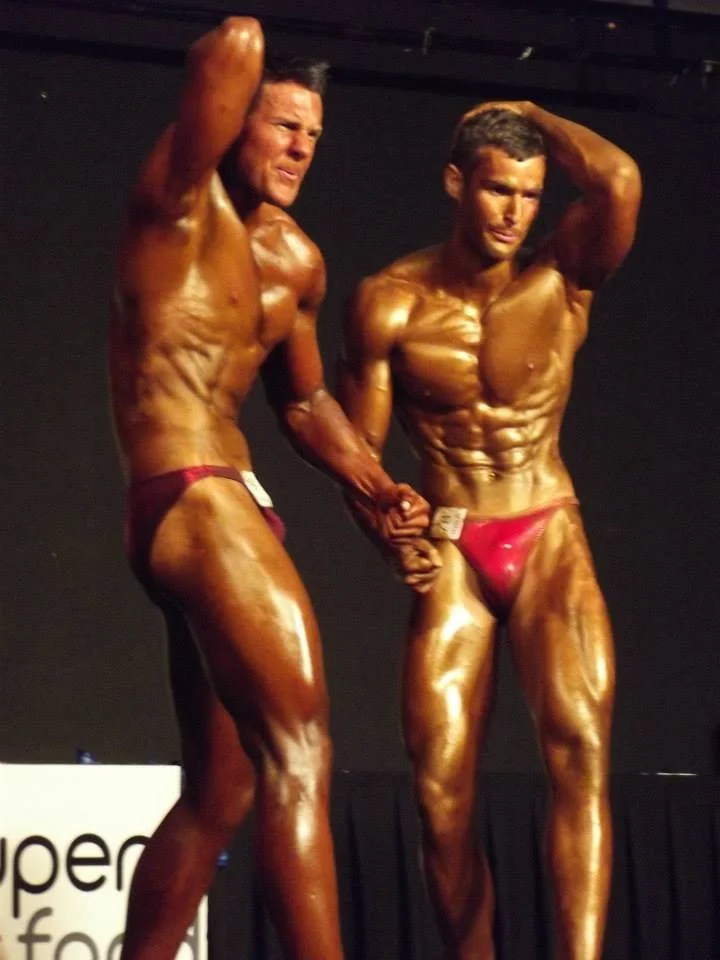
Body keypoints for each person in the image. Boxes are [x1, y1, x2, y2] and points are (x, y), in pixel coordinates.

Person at [108, 17, 431, 960]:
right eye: (285, 125)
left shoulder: (295, 260)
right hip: (191, 489)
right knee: (303, 751)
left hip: (224, 499)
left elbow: (303, 403)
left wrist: (374, 485)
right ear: (233, 120)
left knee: (222, 791)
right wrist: (255, 50)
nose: (303, 149)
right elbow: (233, 45)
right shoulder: (172, 200)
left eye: (315, 135)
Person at [338, 102, 642, 959]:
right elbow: (358, 458)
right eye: (499, 189)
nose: (515, 211)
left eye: (531, 194)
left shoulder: (564, 276)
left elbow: (618, 180)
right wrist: (388, 533)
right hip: (454, 546)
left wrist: (531, 116)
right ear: (455, 184)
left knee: (580, 752)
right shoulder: (388, 304)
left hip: (547, 527)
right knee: (439, 795)